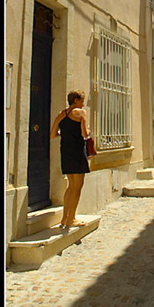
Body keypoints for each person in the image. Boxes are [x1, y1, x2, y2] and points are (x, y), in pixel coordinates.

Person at [50, 90, 91, 228]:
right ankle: (72, 219)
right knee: (77, 187)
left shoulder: (61, 114)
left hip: (66, 151)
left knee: (70, 186)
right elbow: (84, 133)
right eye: (81, 100)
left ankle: (64, 218)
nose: (83, 104)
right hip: (78, 151)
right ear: (76, 101)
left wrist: (65, 133)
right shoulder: (81, 113)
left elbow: (52, 134)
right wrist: (89, 131)